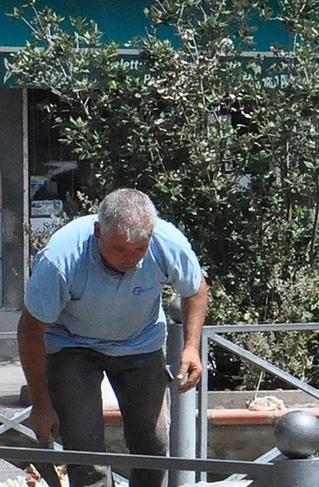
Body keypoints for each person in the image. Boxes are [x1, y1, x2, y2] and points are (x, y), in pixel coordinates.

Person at [19, 188, 208, 487]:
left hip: (140, 344)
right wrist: (42, 406)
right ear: (97, 231)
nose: (129, 258)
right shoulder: (61, 258)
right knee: (86, 454)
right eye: (119, 248)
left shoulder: (167, 242)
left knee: (155, 448)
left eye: (139, 249)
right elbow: (30, 330)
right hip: (73, 346)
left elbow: (196, 289)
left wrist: (191, 347)